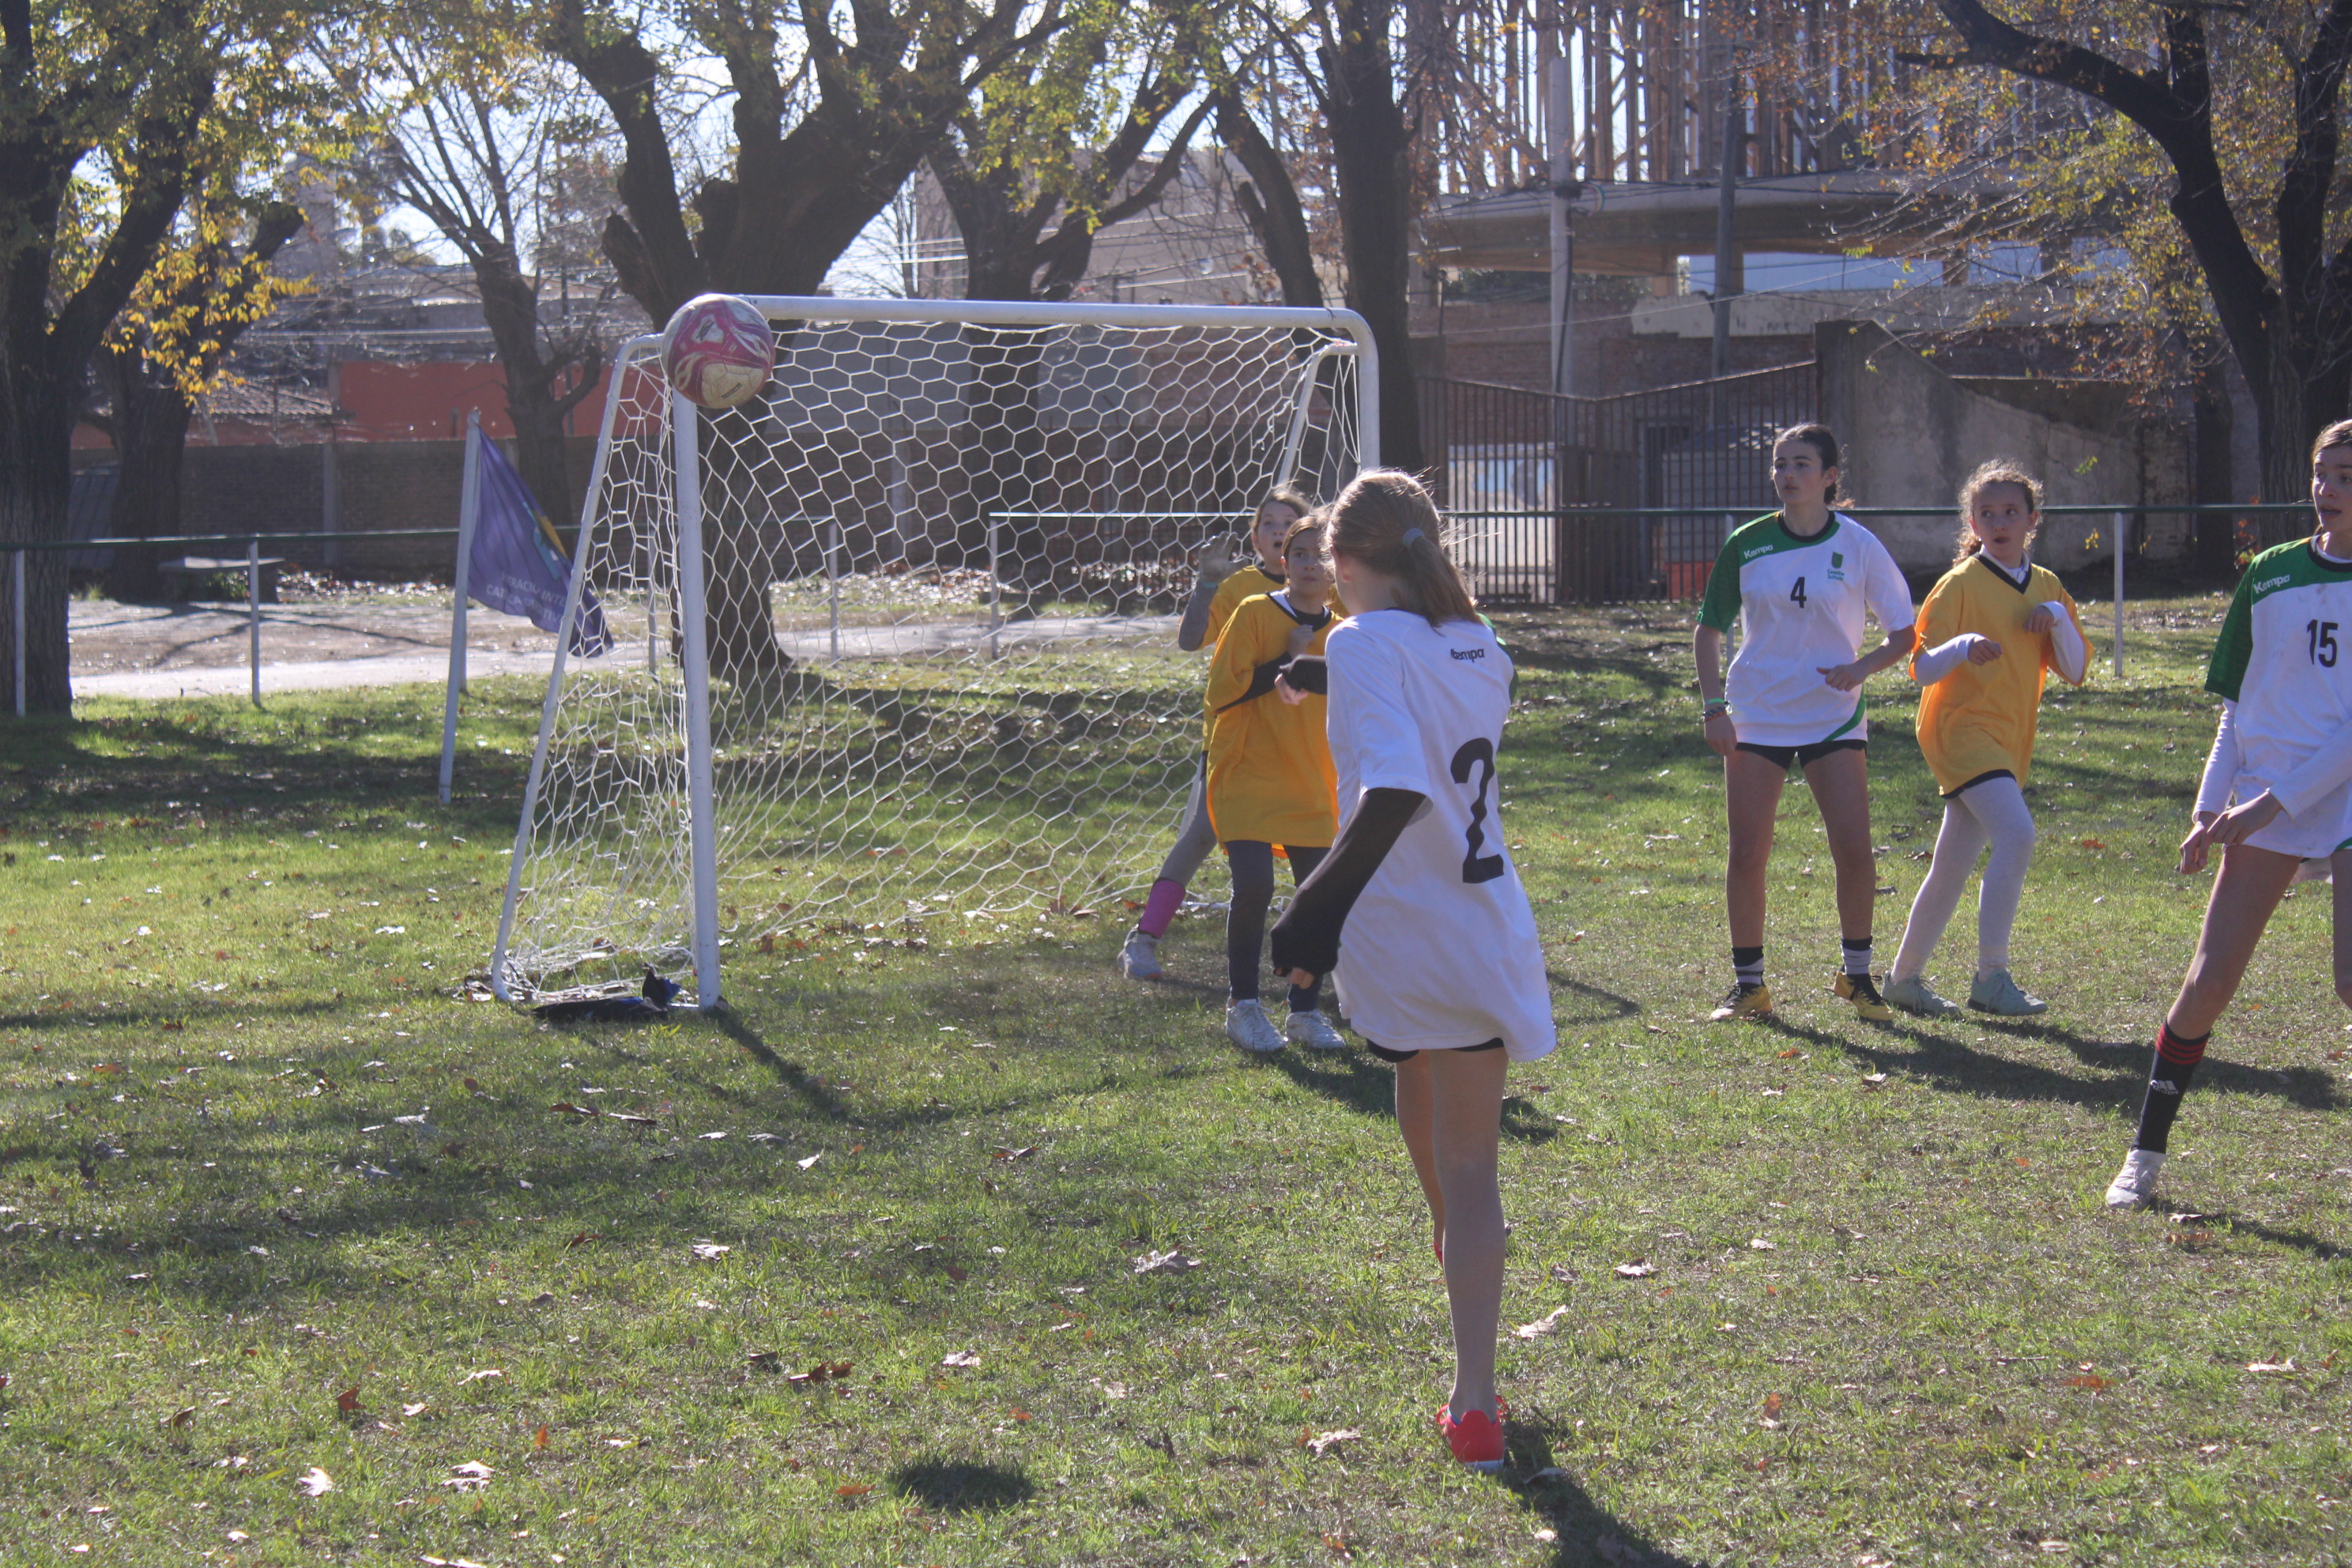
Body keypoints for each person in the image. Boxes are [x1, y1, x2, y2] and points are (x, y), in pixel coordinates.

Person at [1266, 469, 1554, 1474]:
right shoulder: (1486, 645)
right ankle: (1475, 1392)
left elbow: (1393, 784)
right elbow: (1427, 700)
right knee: (1465, 1147)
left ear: (1342, 565)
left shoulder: (1355, 637)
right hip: (1484, 921)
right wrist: (1323, 682)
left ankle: (1473, 1392)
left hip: (1399, 924)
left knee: (1434, 1110)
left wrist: (1315, 905)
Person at [2105, 420, 2352, 1209]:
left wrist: (2264, 806)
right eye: (2321, 473)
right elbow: (2236, 711)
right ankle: (2143, 1155)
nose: (2329, 489)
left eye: (2346, 475)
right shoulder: (2271, 573)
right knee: (2207, 983)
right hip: (2263, 803)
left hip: (2334, 799)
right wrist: (2211, 808)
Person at [1693, 424, 1917, 1023]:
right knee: (1747, 854)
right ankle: (1749, 987)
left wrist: (1860, 667)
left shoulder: (1860, 544)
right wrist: (1715, 708)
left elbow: (1905, 633)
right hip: (1757, 716)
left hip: (1832, 717)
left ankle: (1859, 977)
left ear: (1830, 477)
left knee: (1854, 850)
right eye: (1778, 464)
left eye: (1800, 464)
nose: (1787, 475)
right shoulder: (1746, 543)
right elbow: (1708, 631)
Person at [1883, 462, 2089, 1016]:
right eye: (1987, 513)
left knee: (1952, 861)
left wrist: (2058, 620)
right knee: (2018, 835)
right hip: (1959, 730)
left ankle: (1903, 979)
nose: (1998, 522)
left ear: (2032, 521)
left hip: (2007, 739)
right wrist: (1963, 645)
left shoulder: (2046, 586)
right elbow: (1922, 667)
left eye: (2010, 513)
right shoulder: (1960, 584)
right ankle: (1992, 977)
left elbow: (2075, 668)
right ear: (1972, 520)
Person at [1119, 485, 1321, 981]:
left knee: (1319, 844)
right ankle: (1144, 939)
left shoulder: (1326, 593)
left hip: (1303, 745)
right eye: (1267, 524)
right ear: (1255, 539)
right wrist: (1207, 584)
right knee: (1203, 832)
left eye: (1286, 523)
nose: (1276, 531)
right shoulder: (1241, 591)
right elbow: (1190, 641)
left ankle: (1323, 963)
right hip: (1239, 739)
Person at [1202, 513, 1347, 1053]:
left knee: (1320, 900)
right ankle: (1242, 1006)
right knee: (1256, 885)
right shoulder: (1254, 613)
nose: (1311, 563)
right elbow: (1222, 693)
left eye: (1322, 554)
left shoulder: (1347, 628)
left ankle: (1304, 1012)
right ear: (1283, 561)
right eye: (1300, 553)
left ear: (1339, 566)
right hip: (1248, 772)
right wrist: (1286, 659)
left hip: (1312, 780)